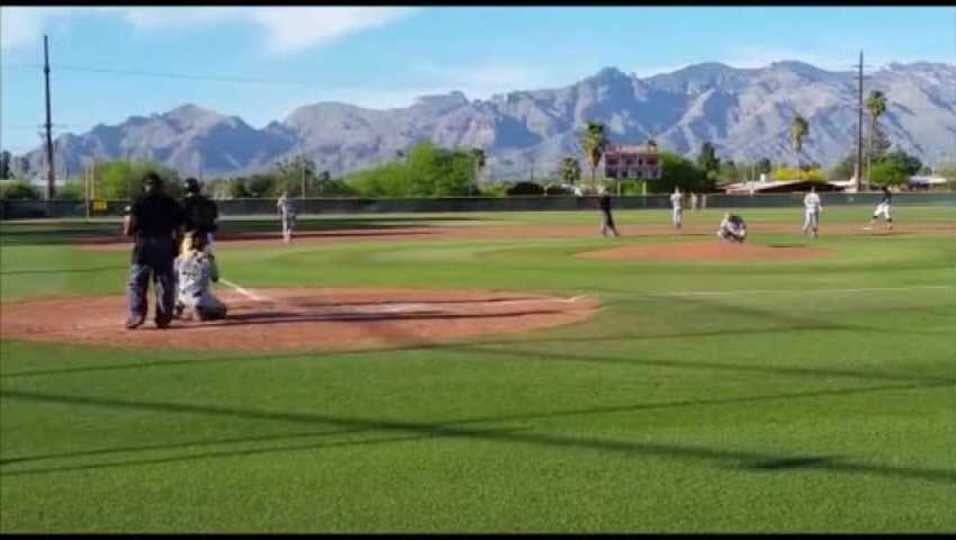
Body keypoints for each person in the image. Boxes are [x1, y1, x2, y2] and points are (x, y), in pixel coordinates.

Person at [124, 172, 184, 329]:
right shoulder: (170, 202)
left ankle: (137, 315)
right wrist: (177, 245)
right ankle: (164, 317)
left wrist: (129, 232)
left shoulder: (138, 201)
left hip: (144, 243)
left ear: (145, 185)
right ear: (161, 186)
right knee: (164, 282)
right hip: (164, 243)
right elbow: (180, 228)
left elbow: (129, 224)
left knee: (137, 281)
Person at [174, 231, 227, 322]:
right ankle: (199, 309)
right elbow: (215, 278)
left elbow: (174, 278)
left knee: (182, 293)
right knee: (222, 309)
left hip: (182, 295)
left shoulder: (179, 258)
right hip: (199, 297)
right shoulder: (207, 258)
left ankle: (179, 306)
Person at [181, 177, 219, 252]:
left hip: (190, 235)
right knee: (207, 260)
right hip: (207, 236)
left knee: (188, 261)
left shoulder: (183, 203)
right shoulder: (210, 203)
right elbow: (215, 220)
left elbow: (180, 222)